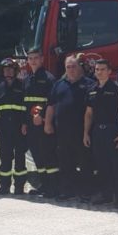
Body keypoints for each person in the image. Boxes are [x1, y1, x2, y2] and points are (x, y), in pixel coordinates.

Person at [46, 54, 92, 200]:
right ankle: (67, 191)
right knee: (65, 162)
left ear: (80, 67)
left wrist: (87, 131)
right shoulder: (59, 84)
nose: (71, 69)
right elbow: (51, 105)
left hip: (81, 131)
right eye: (68, 67)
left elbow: (91, 110)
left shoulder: (89, 84)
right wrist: (48, 123)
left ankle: (85, 192)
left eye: (74, 66)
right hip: (62, 131)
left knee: (85, 162)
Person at [83, 59, 118, 206]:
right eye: (97, 69)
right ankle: (106, 195)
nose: (99, 72)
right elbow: (89, 113)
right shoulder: (91, 89)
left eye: (102, 69)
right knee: (102, 165)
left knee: (117, 165)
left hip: (113, 131)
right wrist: (86, 133)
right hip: (97, 131)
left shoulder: (117, 89)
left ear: (109, 71)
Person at [21, 49, 58, 197]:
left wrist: (40, 115)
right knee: (37, 155)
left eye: (36, 58)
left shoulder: (48, 78)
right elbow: (25, 103)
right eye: (30, 58)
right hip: (31, 125)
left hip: (43, 123)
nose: (33, 61)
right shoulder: (27, 79)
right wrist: (24, 122)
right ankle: (44, 185)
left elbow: (51, 101)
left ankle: (54, 187)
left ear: (42, 59)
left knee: (47, 155)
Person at [0, 58, 28, 195]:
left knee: (20, 159)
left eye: (11, 69)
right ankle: (4, 186)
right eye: (6, 69)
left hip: (19, 128)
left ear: (16, 71)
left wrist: (25, 123)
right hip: (4, 129)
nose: (8, 72)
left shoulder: (23, 87)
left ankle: (19, 187)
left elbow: (26, 107)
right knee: (5, 158)